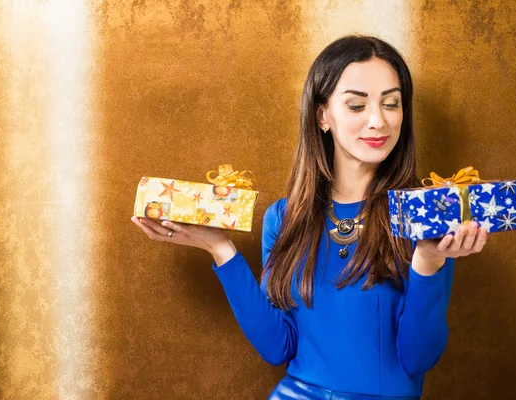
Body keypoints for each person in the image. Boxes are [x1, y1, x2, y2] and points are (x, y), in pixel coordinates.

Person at [131, 35, 488, 399]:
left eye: (391, 103)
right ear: (322, 116)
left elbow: (418, 358)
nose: (378, 121)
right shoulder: (284, 217)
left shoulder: (424, 216)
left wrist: (429, 261)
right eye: (355, 105)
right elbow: (278, 347)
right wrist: (220, 249)